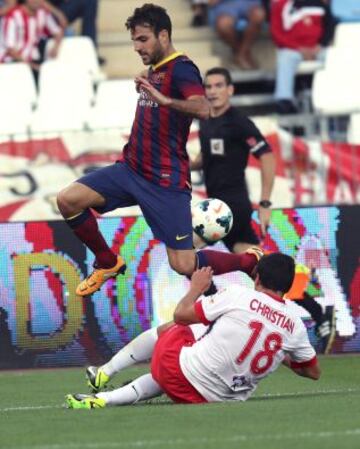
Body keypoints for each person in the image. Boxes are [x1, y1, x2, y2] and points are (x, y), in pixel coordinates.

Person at [56, 3, 263, 298]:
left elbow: (203, 108)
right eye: (134, 41)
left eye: (143, 39)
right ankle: (107, 262)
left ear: (163, 35)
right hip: (130, 169)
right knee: (67, 200)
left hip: (165, 183)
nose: (137, 47)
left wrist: (165, 101)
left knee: (183, 263)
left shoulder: (182, 68)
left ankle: (247, 261)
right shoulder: (157, 69)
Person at [65, 252, 320, 409]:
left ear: (257, 278)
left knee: (181, 325)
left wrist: (196, 287)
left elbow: (181, 315)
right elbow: (312, 372)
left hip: (176, 371)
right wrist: (281, 353)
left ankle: (105, 371)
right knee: (201, 348)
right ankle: (104, 399)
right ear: (287, 287)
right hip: (213, 400)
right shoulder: (295, 324)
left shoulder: (238, 294)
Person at [191, 67, 276, 254]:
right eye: (209, 87)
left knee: (186, 249)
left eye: (219, 86)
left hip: (230, 206)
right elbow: (204, 158)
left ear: (230, 90)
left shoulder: (239, 122)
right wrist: (176, 165)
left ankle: (204, 284)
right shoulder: (205, 120)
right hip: (215, 201)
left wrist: (265, 203)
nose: (213, 91)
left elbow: (267, 156)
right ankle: (292, 275)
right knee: (250, 255)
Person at [270, 0, 336, 114]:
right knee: (285, 57)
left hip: (317, 49)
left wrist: (320, 46)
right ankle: (284, 101)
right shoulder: (281, 5)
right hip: (294, 49)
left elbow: (329, 27)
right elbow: (276, 34)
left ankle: (335, 97)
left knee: (334, 56)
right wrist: (298, 48)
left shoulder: (320, 4)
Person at [0, 0, 63, 73]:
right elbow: (10, 49)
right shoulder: (12, 16)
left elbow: (58, 31)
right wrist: (31, 66)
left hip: (33, 59)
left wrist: (55, 47)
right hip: (11, 61)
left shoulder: (42, 13)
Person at [208, 0, 266, 69]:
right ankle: (241, 53)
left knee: (259, 15)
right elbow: (210, 2)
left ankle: (241, 54)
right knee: (223, 25)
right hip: (225, 6)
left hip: (250, 3)